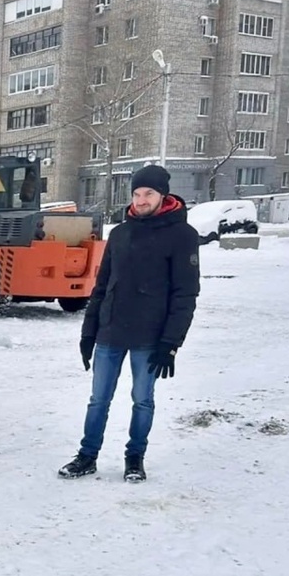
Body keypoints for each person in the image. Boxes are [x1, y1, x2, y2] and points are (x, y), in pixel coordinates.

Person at [59, 165, 200, 483]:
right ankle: (87, 455)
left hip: (149, 338)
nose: (141, 200)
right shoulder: (120, 234)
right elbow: (101, 286)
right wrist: (88, 332)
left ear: (162, 195)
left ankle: (135, 457)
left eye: (148, 193)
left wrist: (171, 342)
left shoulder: (182, 236)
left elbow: (185, 294)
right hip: (110, 332)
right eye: (136, 194)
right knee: (98, 399)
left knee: (143, 400)